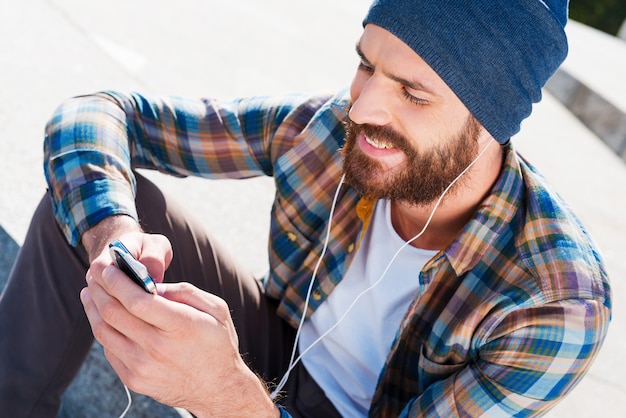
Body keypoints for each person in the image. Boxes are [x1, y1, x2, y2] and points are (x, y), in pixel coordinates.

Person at [0, 0, 612, 416]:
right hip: (279, 347)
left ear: (490, 123)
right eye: (366, 65)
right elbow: (97, 113)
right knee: (99, 205)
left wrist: (223, 394)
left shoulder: (558, 300)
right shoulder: (326, 128)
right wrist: (115, 230)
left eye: (412, 93)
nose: (365, 107)